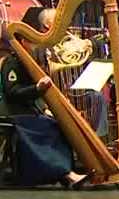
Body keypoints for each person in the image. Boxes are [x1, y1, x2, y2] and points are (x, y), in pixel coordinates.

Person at [1, 46, 93, 188]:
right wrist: (37, 89)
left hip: (28, 111)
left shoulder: (31, 61)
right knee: (45, 129)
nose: (37, 45)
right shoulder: (12, 62)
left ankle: (65, 172)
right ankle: (66, 174)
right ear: (24, 40)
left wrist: (44, 107)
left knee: (59, 125)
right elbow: (12, 91)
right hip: (13, 113)